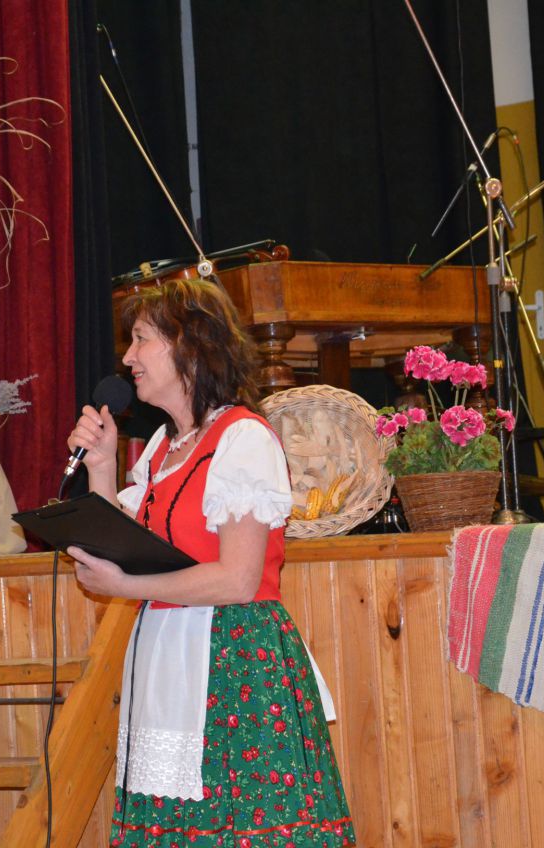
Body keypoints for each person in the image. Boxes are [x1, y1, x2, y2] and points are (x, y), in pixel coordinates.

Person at [65, 278, 354, 847]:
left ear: (190, 345)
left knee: (245, 826)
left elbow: (238, 579)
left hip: (235, 661)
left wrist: (126, 586)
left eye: (142, 339)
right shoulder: (161, 448)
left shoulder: (242, 438)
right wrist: (100, 467)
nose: (128, 358)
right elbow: (121, 548)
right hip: (168, 658)